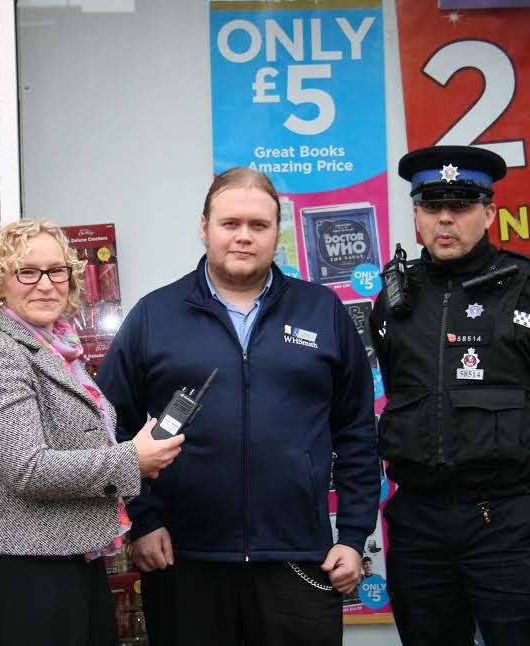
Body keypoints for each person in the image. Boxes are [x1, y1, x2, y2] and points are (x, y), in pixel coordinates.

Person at [97, 167, 380, 646]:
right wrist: (143, 521)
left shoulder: (322, 310)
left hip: (299, 558)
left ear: (276, 232)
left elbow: (356, 431)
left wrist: (353, 537)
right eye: (230, 224)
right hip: (183, 559)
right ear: (204, 227)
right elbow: (107, 425)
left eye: (259, 225)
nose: (244, 237)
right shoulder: (155, 315)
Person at [370, 145, 530, 646]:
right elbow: (398, 388)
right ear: (416, 214)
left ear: (489, 211)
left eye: (462, 205)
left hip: (510, 523)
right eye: (432, 207)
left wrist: (526, 477)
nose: (446, 219)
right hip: (419, 526)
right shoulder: (394, 302)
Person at [0, 220, 184, 646]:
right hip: (23, 577)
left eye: (57, 271)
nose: (46, 284)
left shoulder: (62, 352)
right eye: (27, 271)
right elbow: (28, 468)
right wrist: (134, 459)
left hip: (72, 563)